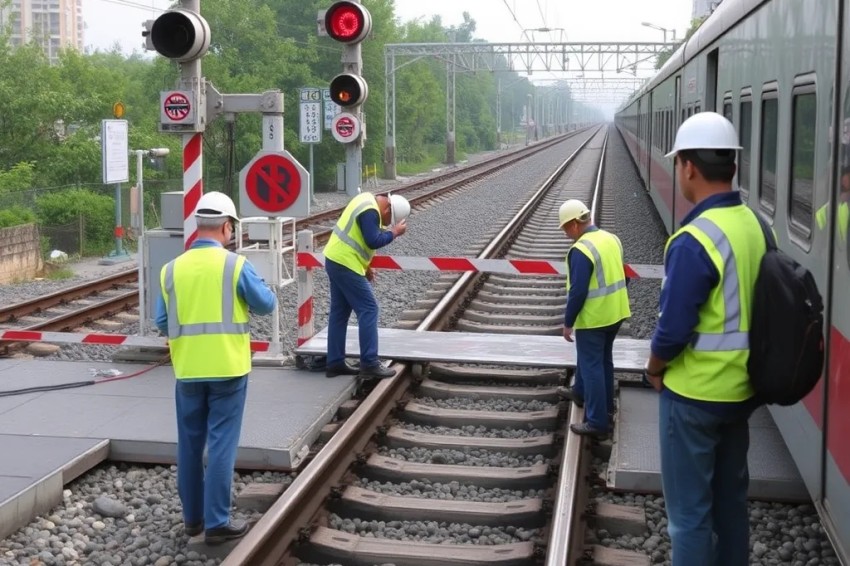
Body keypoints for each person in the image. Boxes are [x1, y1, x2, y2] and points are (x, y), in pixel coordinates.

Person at [644, 112, 763, 566]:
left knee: (689, 516)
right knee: (730, 503)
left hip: (693, 396)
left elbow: (673, 330)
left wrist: (654, 368)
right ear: (732, 163)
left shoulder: (693, 239)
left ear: (689, 167)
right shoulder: (754, 225)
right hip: (743, 392)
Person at [155, 191, 277, 545]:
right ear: (226, 227)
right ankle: (218, 522)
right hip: (228, 368)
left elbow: (162, 321)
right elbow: (265, 305)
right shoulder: (236, 265)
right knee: (222, 444)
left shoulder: (170, 269)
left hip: (188, 369)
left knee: (190, 445)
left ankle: (193, 519)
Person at [555, 199, 630, 438]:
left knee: (592, 365)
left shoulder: (581, 250)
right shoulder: (612, 239)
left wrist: (568, 322)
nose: (566, 234)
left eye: (566, 229)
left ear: (576, 224)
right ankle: (584, 394)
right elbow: (623, 275)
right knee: (603, 361)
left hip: (595, 318)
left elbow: (578, 291)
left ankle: (597, 422)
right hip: (616, 313)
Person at [323, 191, 409, 379]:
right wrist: (394, 233)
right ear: (388, 209)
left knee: (339, 312)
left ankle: (335, 362)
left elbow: (359, 239)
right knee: (369, 309)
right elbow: (373, 240)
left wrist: (367, 266)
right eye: (388, 220)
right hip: (346, 263)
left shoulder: (365, 200)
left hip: (335, 259)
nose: (386, 224)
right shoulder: (371, 211)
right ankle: (369, 363)